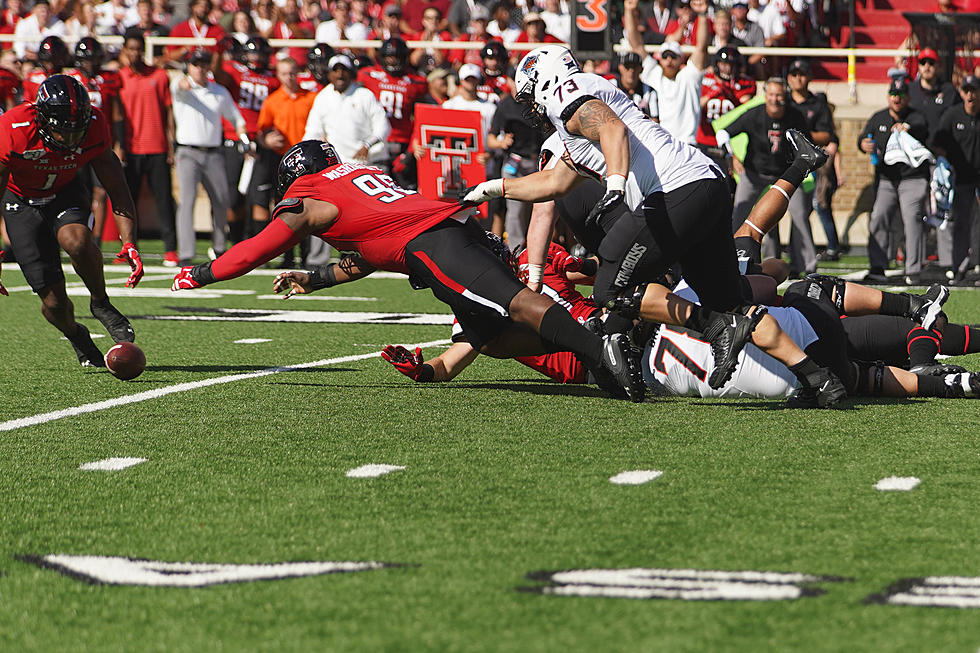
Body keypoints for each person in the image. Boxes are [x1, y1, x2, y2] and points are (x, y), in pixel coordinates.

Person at [462, 46, 845, 404]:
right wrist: (494, 188)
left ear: (544, 80)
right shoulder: (571, 124)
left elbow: (612, 129)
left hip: (676, 191)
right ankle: (818, 379)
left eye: (530, 95)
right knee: (730, 305)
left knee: (609, 287)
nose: (530, 106)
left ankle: (714, 328)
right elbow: (554, 183)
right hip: (705, 186)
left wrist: (615, 183)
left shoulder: (568, 94)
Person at [172, 140, 645, 401]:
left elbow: (254, 250)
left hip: (436, 245)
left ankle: (600, 350)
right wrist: (314, 278)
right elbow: (372, 250)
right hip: (448, 230)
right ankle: (595, 349)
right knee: (492, 336)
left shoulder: (309, 195)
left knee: (515, 303)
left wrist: (201, 274)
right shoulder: (358, 177)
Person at [0, 75, 143, 367]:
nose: (71, 139)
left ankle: (100, 302)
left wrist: (129, 242)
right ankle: (77, 335)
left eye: (77, 132)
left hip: (64, 191)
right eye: (63, 131)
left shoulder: (94, 125)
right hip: (20, 201)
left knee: (76, 240)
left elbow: (118, 187)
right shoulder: (11, 130)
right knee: (54, 303)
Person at [718, 76, 827, 277]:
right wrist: (730, 156)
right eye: (771, 95)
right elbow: (723, 133)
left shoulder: (795, 116)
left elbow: (807, 146)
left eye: (779, 95)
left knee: (801, 215)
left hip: (785, 176)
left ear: (785, 96)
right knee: (739, 214)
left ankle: (808, 266)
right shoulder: (754, 114)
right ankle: (730, 261)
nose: (775, 99)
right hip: (754, 173)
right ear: (764, 95)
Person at [172, 49, 248, 266]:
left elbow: (236, 118)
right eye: (196, 64)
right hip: (187, 152)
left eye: (204, 64)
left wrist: (244, 138)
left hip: (213, 152)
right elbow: (179, 87)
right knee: (187, 201)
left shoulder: (219, 91)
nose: (200, 68)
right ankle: (186, 253)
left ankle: (219, 247)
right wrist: (184, 82)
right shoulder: (182, 84)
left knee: (222, 199)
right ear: (189, 66)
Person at [859, 79, 931, 284]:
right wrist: (863, 143)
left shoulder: (916, 116)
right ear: (888, 96)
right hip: (887, 179)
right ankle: (878, 266)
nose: (896, 98)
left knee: (912, 219)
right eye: (893, 94)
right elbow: (864, 138)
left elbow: (923, 127)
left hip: (912, 178)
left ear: (907, 97)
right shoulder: (879, 117)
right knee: (878, 217)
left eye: (900, 95)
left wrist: (907, 127)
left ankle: (913, 269)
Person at [213, 36, 280, 245]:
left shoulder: (273, 78)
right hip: (235, 141)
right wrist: (217, 51)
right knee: (234, 198)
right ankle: (236, 243)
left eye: (260, 53)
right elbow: (217, 74)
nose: (257, 57)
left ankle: (259, 248)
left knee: (259, 198)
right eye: (253, 53)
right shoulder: (235, 70)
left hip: (261, 143)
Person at [119, 30, 178, 266]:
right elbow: (116, 117)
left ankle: (171, 249)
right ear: (124, 50)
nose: (134, 53)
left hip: (157, 147)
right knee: (127, 201)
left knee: (164, 200)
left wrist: (171, 146)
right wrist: (119, 146)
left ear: (143, 50)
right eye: (130, 48)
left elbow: (169, 112)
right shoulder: (119, 78)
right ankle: (129, 248)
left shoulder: (160, 75)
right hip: (131, 149)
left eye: (138, 48)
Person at [254, 57, 317, 266]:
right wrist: (267, 140)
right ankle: (287, 257)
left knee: (307, 207)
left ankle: (307, 257)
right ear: (278, 76)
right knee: (284, 207)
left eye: (291, 73)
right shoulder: (272, 101)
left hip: (307, 162)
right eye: (283, 73)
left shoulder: (311, 98)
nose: (288, 77)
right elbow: (262, 132)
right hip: (281, 161)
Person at [624, 0, 709, 145]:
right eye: (665, 56)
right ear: (660, 59)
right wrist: (629, 10)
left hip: (688, 145)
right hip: (662, 145)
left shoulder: (689, 77)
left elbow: (701, 47)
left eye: (673, 56)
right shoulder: (655, 75)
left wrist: (701, 15)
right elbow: (636, 44)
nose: (669, 60)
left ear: (681, 59)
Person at [69, 36, 125, 245]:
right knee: (76, 192)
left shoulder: (109, 79)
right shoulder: (71, 79)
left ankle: (96, 241)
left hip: (100, 143)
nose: (90, 64)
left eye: (93, 59)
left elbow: (118, 114)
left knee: (101, 192)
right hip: (75, 144)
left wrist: (120, 144)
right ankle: (78, 236)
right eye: (86, 59)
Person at [488, 71, 545, 250]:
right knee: (515, 212)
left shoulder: (537, 103)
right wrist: (501, 142)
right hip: (516, 163)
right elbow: (491, 138)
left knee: (544, 210)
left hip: (538, 164)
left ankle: (544, 251)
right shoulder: (506, 105)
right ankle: (516, 253)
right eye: (514, 81)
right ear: (510, 81)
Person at [932, 74, 980, 283]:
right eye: (966, 90)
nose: (970, 95)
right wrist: (943, 165)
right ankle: (958, 265)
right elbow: (938, 143)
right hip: (960, 179)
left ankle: (976, 263)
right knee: (960, 222)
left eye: (974, 90)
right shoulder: (952, 115)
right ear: (961, 93)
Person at [356, 38, 427, 178]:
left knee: (405, 185)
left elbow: (421, 116)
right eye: (389, 57)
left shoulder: (416, 82)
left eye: (397, 57)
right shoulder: (367, 75)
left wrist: (412, 148)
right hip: (375, 140)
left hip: (402, 141)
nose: (393, 61)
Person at [696, 45, 754, 167]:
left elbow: (746, 107)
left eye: (731, 64)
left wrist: (730, 94)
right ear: (717, 64)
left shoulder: (745, 83)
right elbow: (695, 106)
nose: (727, 68)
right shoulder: (705, 79)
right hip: (706, 138)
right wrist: (712, 93)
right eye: (723, 64)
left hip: (730, 139)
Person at [907, 48, 960, 141]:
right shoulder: (909, 89)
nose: (927, 67)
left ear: (938, 66)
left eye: (931, 63)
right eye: (923, 63)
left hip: (940, 149)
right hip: (913, 148)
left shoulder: (949, 91)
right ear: (918, 66)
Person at [166, 0, 226, 65]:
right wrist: (185, 49)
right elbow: (169, 55)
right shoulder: (179, 28)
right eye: (199, 5)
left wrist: (209, 53)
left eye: (206, 6)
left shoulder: (217, 30)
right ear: (192, 7)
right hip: (184, 67)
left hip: (209, 67)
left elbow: (224, 55)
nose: (203, 8)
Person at [22, 35, 69, 102]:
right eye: (46, 61)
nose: (50, 65)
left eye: (53, 60)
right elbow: (27, 103)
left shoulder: (72, 77)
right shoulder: (33, 79)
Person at [617, 52, 657, 120]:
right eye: (627, 67)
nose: (631, 70)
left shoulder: (649, 91)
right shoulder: (611, 86)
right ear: (620, 68)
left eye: (635, 67)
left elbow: (655, 119)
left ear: (641, 69)